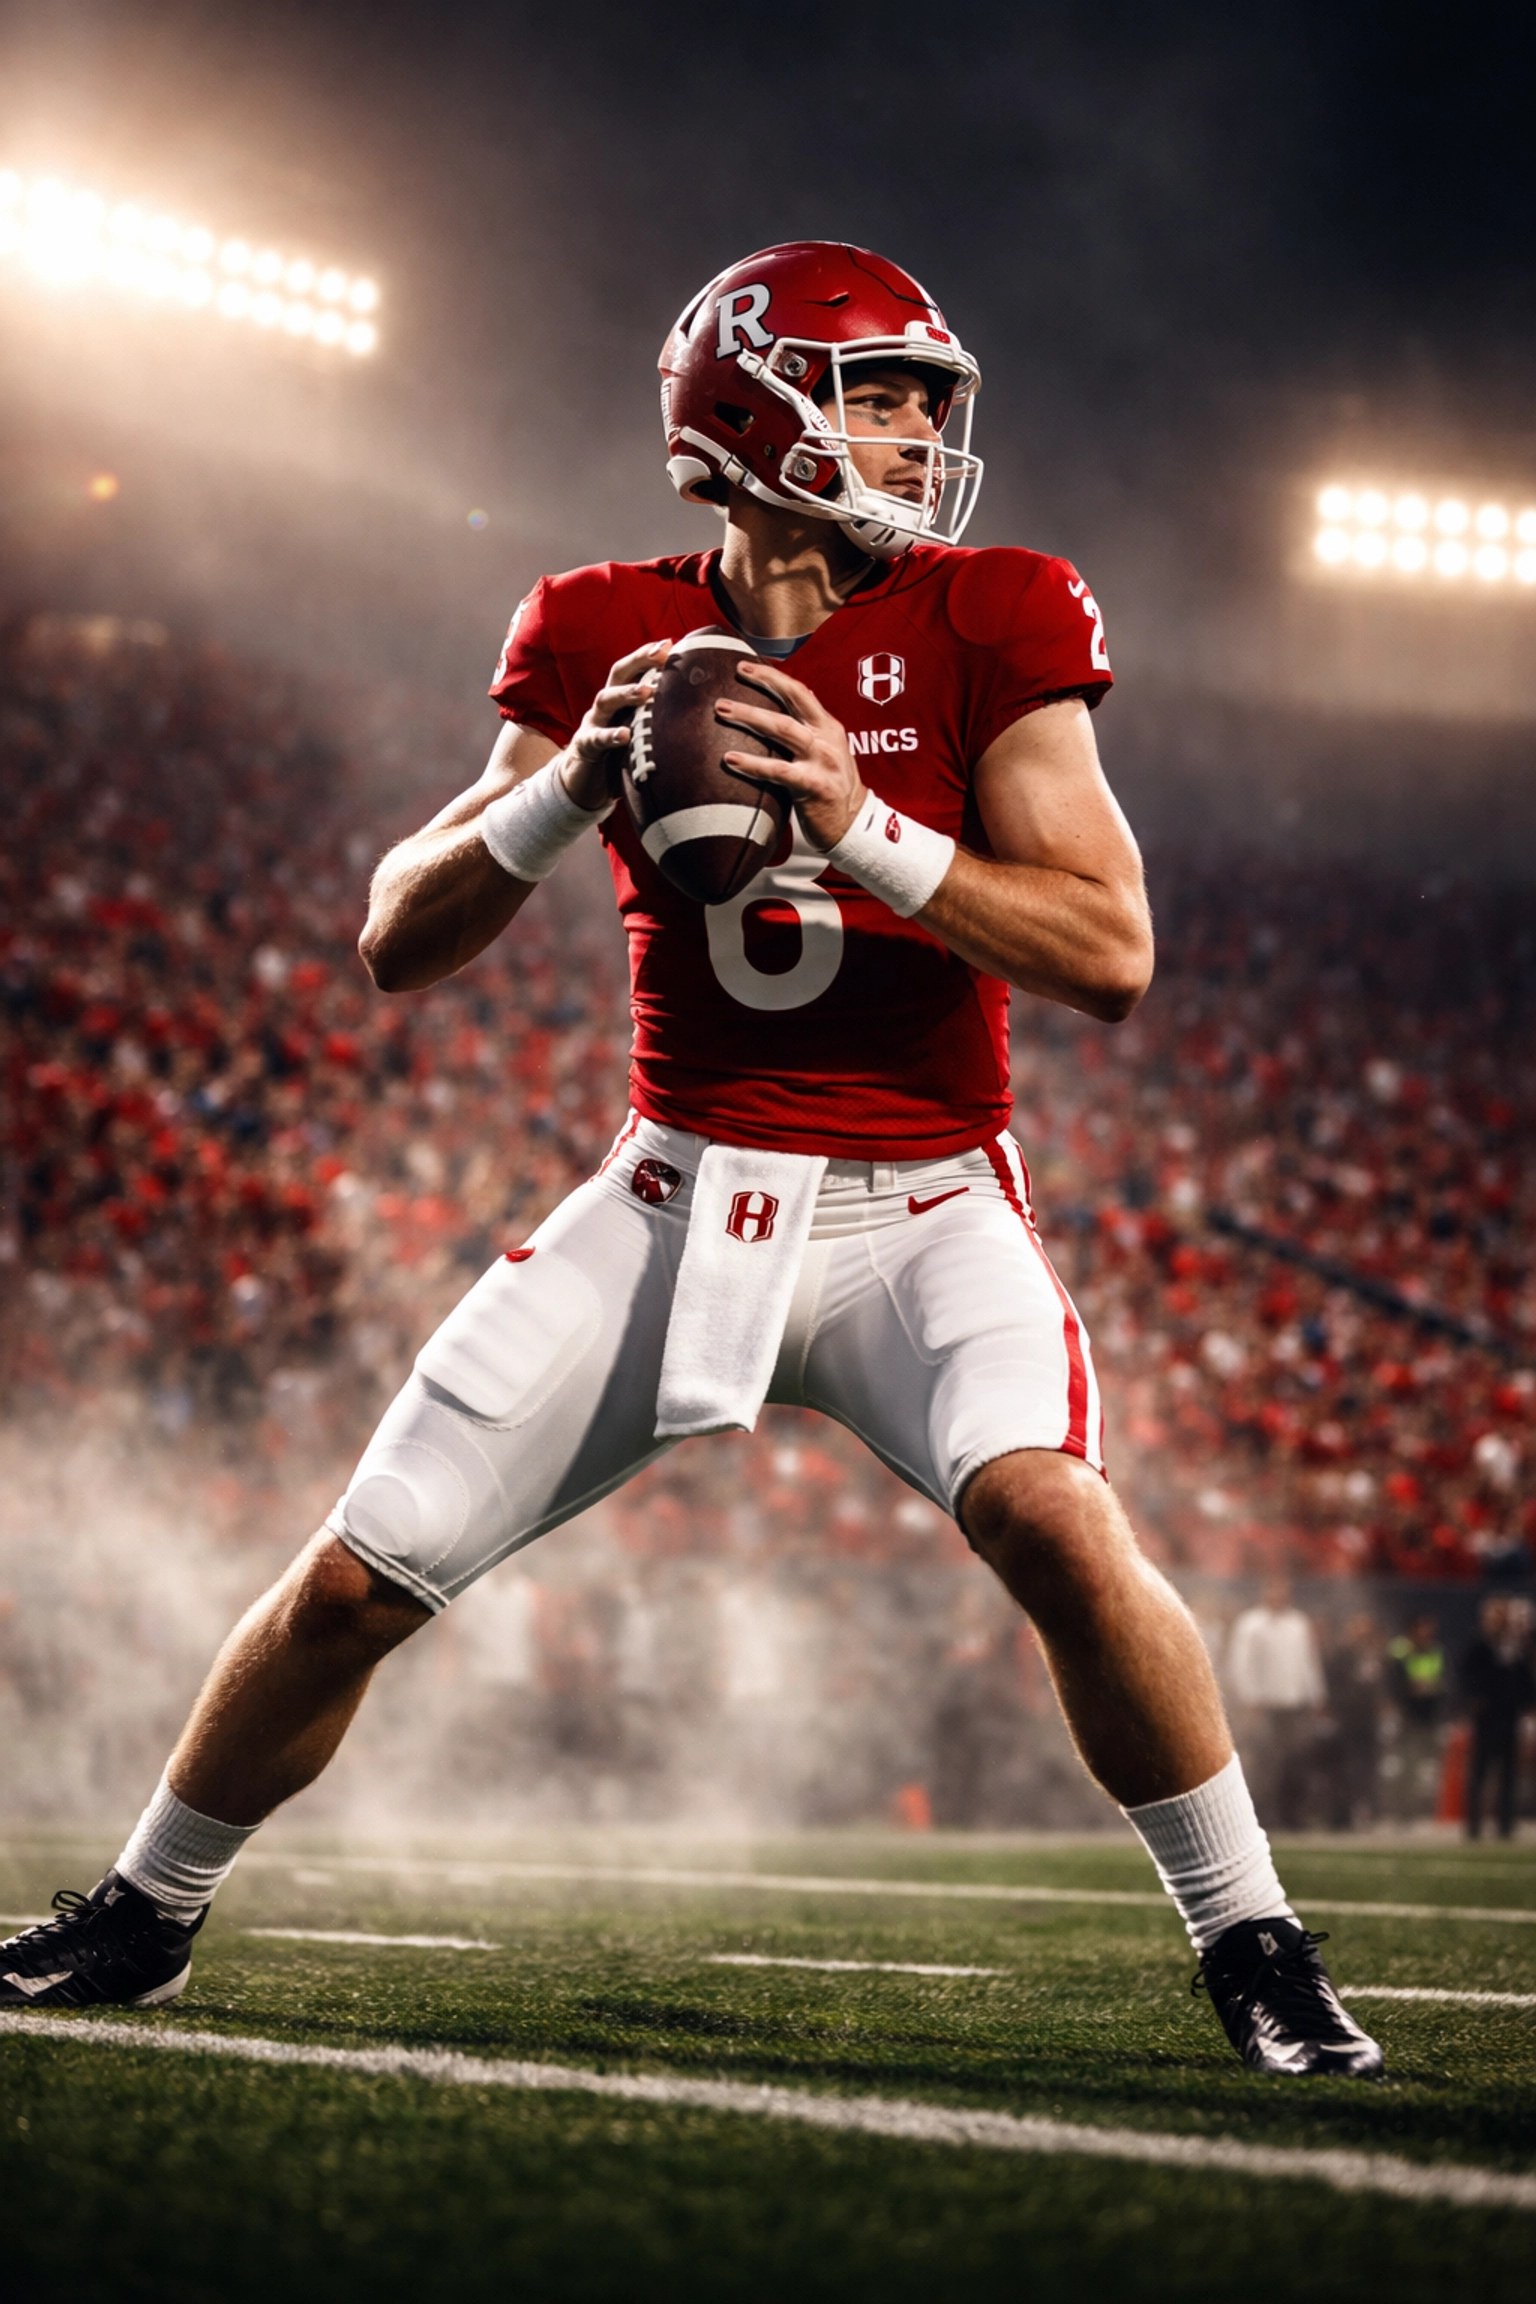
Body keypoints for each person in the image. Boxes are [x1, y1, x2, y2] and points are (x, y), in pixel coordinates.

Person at [0, 241, 1379, 2079]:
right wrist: (568, 783)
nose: (914, 434)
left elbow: (1111, 951)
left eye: (921, 401)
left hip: (923, 1204)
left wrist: (868, 829)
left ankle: (1255, 1941)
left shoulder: (994, 614)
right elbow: (396, 937)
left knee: (1054, 1510)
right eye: (877, 392)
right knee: (355, 1575)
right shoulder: (594, 629)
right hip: (670, 1193)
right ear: (755, 408)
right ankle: (148, 1907)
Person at [1225, 1577, 1325, 1830]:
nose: (1278, 1595)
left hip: (1293, 1704)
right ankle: (1259, 1817)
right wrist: (1249, 1696)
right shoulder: (1251, 1624)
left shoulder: (1298, 1623)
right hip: (1263, 1705)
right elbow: (1241, 1663)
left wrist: (1316, 1694)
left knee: (1295, 1762)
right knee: (1264, 1763)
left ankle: (1292, 1816)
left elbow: (1308, 1662)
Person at [1460, 1596, 1535, 1842]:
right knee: (1480, 1771)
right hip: (1487, 1718)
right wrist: (1475, 1699)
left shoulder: (1513, 1648)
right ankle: (1473, 1825)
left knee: (1508, 1773)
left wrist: (1528, 1703)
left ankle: (1505, 1824)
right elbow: (1467, 1676)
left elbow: (1523, 1679)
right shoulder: (1479, 1645)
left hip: (1509, 1716)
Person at [1321, 1611, 1385, 1832]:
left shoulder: (1374, 1654)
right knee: (1344, 1767)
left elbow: (1380, 1685)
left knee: (1368, 1767)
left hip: (1367, 1719)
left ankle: (1367, 1810)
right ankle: (1341, 1815)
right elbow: (1333, 1686)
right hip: (1347, 1717)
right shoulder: (1340, 1655)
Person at [1386, 1614, 1448, 1822]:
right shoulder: (1400, 1649)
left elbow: (1443, 1681)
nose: (1427, 1633)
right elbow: (1392, 1681)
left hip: (1428, 1715)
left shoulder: (1435, 1650)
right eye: (1423, 1628)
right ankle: (1404, 1812)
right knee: (1408, 1765)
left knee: (1426, 1767)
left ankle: (1422, 1810)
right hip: (1408, 1715)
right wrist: (1409, 1688)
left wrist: (1432, 1687)